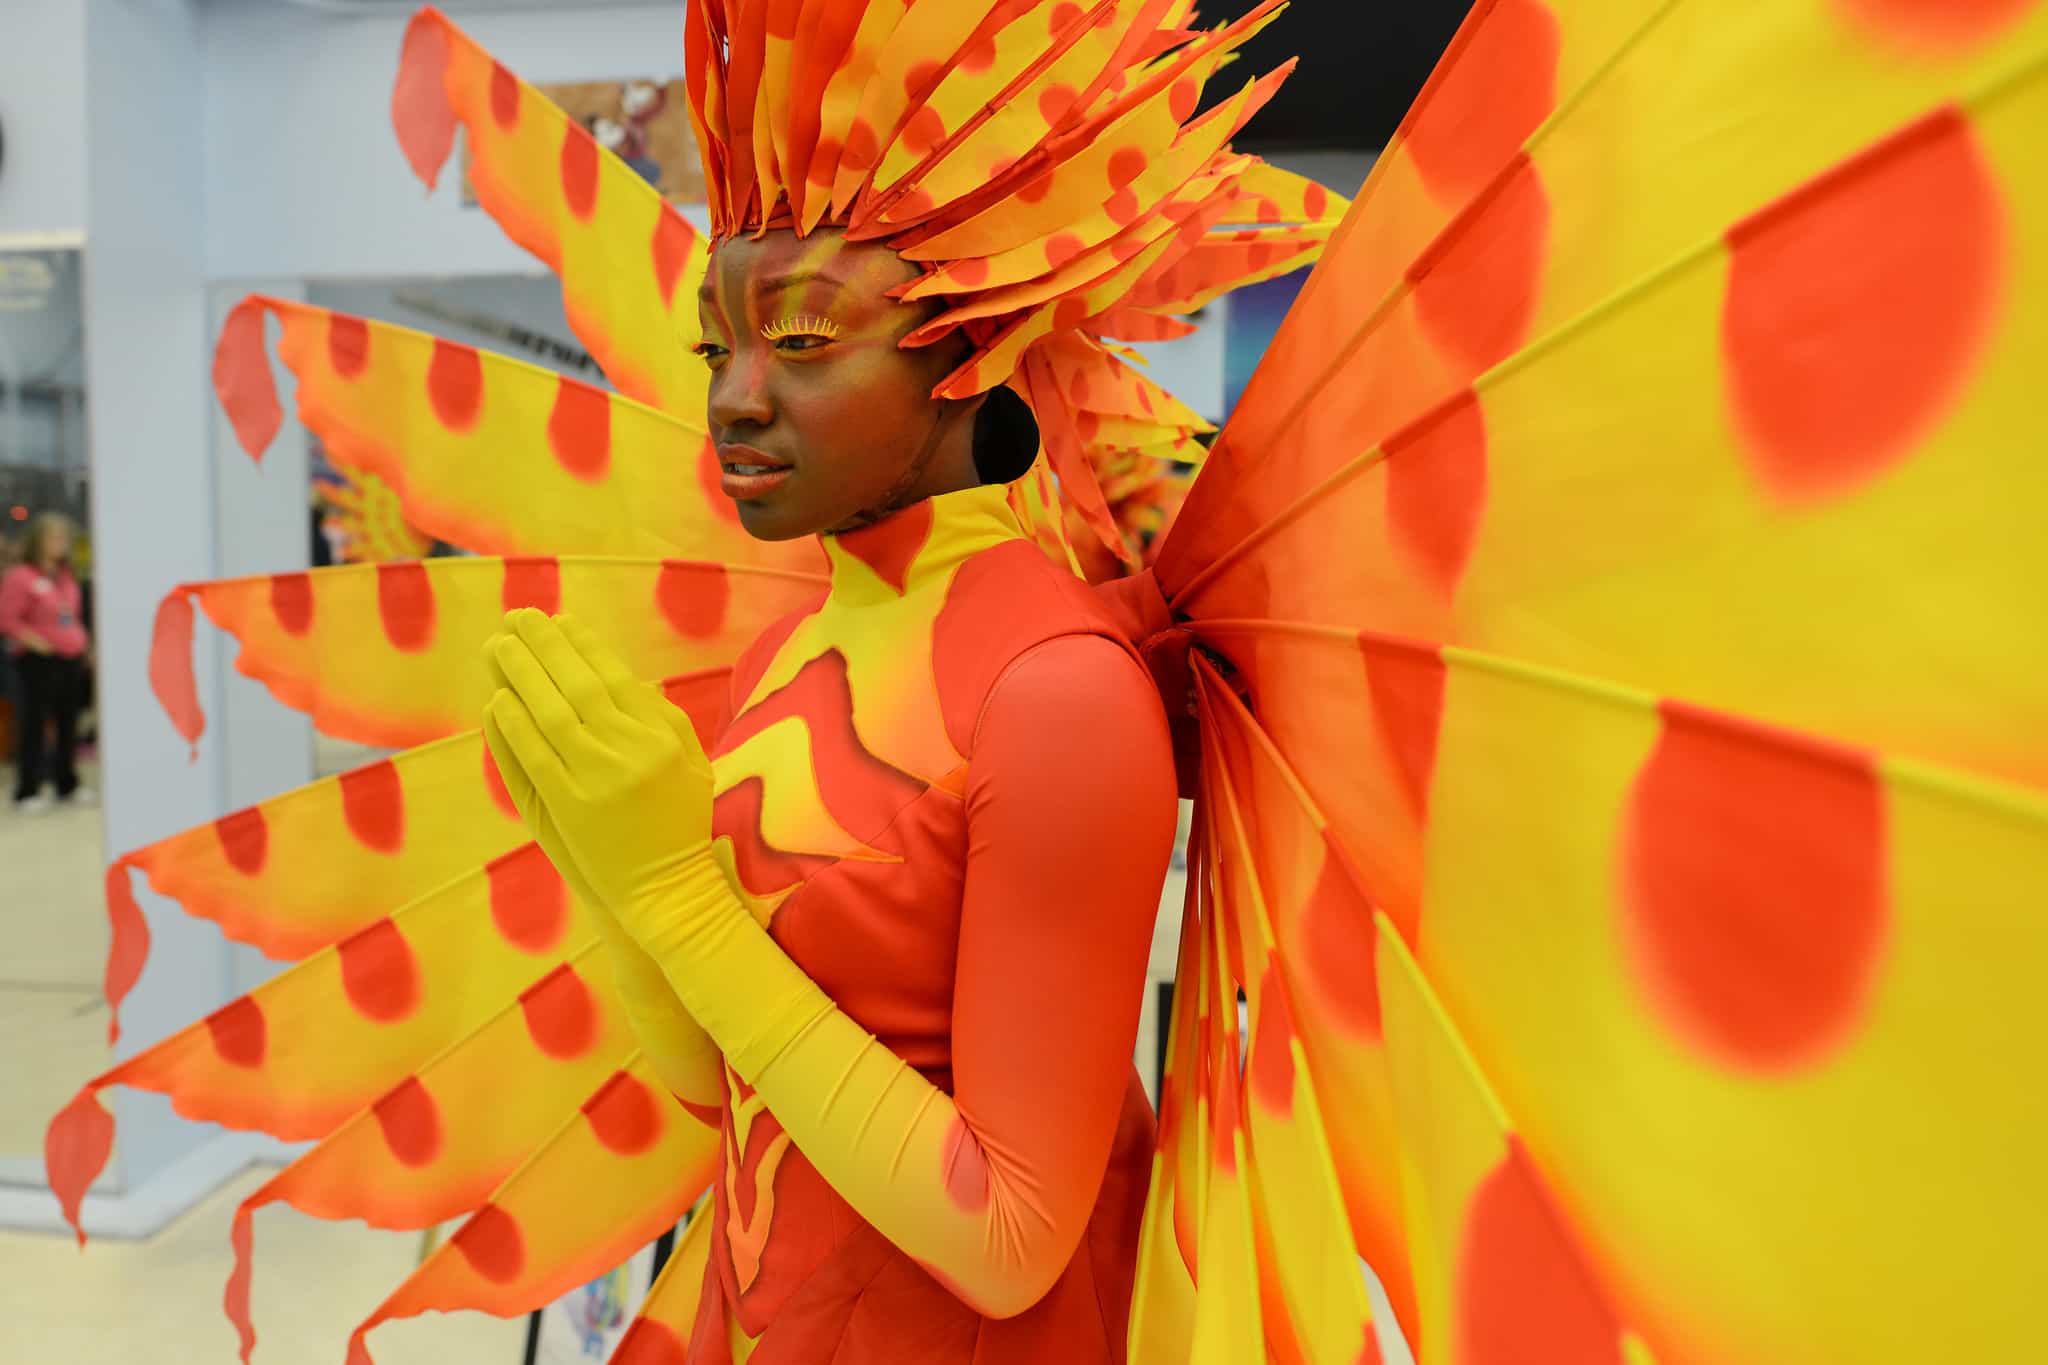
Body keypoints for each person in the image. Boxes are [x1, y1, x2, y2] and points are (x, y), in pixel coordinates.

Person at [0, 512, 92, 812]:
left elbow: (72, 615)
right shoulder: (21, 577)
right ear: (38, 540)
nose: (60, 543)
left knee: (68, 722)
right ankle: (28, 789)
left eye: (64, 537)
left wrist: (82, 644)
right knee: (35, 722)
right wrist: (34, 641)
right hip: (38, 659)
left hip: (70, 658)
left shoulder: (66, 577)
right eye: (54, 537)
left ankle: (66, 782)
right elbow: (7, 618)